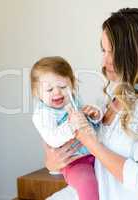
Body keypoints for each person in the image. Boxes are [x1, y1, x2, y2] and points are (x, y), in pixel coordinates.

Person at [44, 8, 138, 200]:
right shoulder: (114, 99)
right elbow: (98, 167)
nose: (104, 61)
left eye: (112, 52)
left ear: (137, 54)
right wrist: (54, 163)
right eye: (103, 50)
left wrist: (91, 142)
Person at [30, 56, 101, 200]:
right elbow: (53, 139)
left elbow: (92, 126)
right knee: (87, 183)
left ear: (73, 85)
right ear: (37, 93)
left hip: (97, 154)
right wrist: (72, 124)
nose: (57, 92)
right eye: (49, 89)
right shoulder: (43, 113)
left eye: (63, 87)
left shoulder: (74, 100)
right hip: (74, 162)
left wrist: (94, 114)